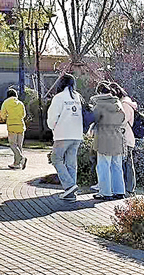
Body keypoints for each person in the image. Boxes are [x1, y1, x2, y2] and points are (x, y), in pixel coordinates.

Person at [46, 74, 84, 202]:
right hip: (77, 135)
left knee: (56, 159)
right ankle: (71, 193)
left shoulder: (59, 97)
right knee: (71, 163)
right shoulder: (78, 97)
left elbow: (52, 118)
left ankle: (69, 186)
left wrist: (52, 127)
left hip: (63, 134)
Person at [91, 82, 127, 201]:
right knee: (117, 165)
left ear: (99, 92)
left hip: (103, 138)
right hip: (117, 137)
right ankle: (119, 191)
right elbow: (123, 119)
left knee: (103, 166)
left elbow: (93, 119)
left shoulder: (98, 105)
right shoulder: (118, 104)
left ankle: (105, 192)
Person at [109, 82, 138, 196]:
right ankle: (128, 188)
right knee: (126, 164)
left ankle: (129, 189)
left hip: (125, 138)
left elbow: (121, 121)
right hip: (126, 137)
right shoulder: (126, 103)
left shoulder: (124, 104)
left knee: (127, 165)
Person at [0, 87, 27, 169]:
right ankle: (16, 163)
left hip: (12, 125)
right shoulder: (20, 103)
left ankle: (21, 158)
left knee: (13, 144)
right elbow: (24, 115)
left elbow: (3, 115)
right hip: (21, 125)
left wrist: (8, 116)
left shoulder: (6, 102)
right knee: (19, 145)